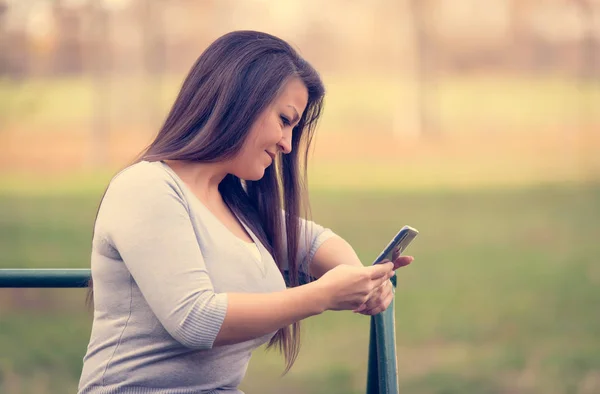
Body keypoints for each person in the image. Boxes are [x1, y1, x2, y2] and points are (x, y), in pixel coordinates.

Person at [78, 30, 414, 394]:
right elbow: (195, 319)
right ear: (240, 101)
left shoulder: (237, 205)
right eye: (285, 120)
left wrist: (362, 281)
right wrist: (323, 295)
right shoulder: (146, 188)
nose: (287, 144)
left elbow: (316, 242)